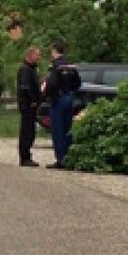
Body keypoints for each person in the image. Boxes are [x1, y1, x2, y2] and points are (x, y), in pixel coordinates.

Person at [44, 39, 81, 169]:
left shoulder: (55, 66)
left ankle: (61, 160)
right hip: (69, 98)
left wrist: (49, 94)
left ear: (54, 50)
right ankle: (69, 157)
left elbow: (51, 83)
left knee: (58, 130)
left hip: (58, 99)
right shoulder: (70, 65)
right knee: (68, 129)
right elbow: (78, 83)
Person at [16, 47, 42, 167]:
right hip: (27, 105)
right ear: (30, 55)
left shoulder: (32, 69)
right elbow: (25, 87)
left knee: (30, 131)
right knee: (27, 131)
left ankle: (27, 155)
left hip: (32, 105)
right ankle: (24, 156)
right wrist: (32, 100)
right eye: (37, 55)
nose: (39, 58)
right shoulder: (25, 70)